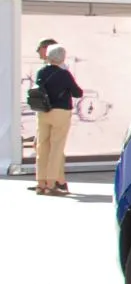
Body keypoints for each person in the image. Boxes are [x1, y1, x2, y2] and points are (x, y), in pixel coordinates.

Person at [34, 45, 81, 196]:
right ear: (62, 58)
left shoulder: (41, 72)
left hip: (43, 112)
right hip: (61, 112)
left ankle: (40, 182)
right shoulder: (64, 74)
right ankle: (51, 183)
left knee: (42, 147)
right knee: (56, 148)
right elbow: (77, 93)